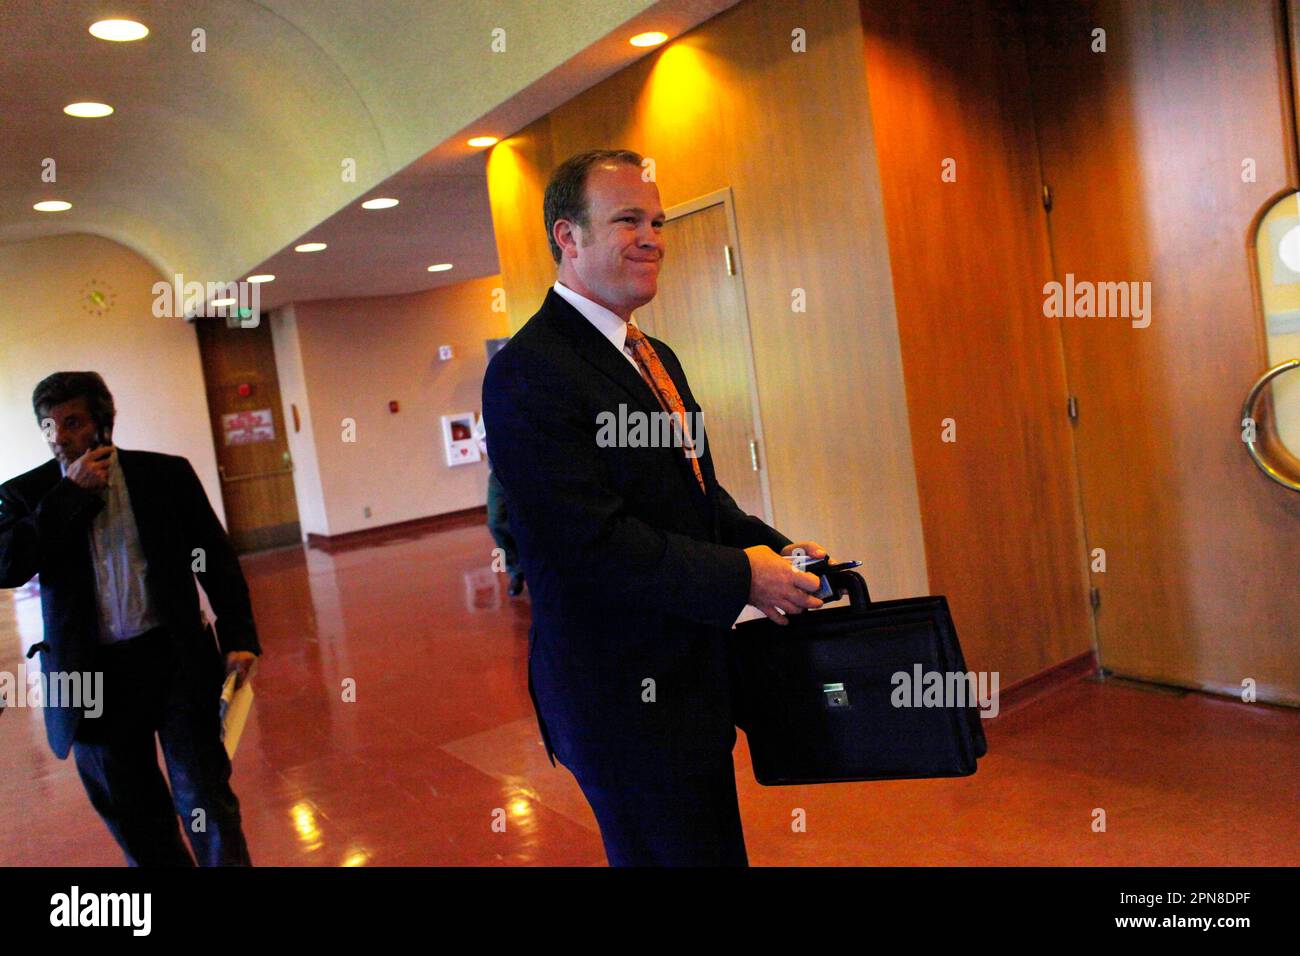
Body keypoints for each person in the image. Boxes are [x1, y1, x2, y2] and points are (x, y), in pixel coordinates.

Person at [482, 149, 830, 865]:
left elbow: (696, 496)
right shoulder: (528, 372)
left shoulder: (653, 355)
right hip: (618, 697)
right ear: (567, 237)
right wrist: (744, 578)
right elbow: (594, 545)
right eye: (627, 220)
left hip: (687, 678)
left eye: (658, 220)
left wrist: (782, 551)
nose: (653, 237)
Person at [0, 371, 260, 866]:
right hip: (89, 677)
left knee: (204, 798)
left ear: (103, 422)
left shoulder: (165, 476)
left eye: (72, 422)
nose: (59, 437)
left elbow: (216, 558)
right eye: (48, 426)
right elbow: (7, 565)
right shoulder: (25, 494)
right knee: (135, 817)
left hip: (174, 660)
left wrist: (240, 636)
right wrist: (68, 497)